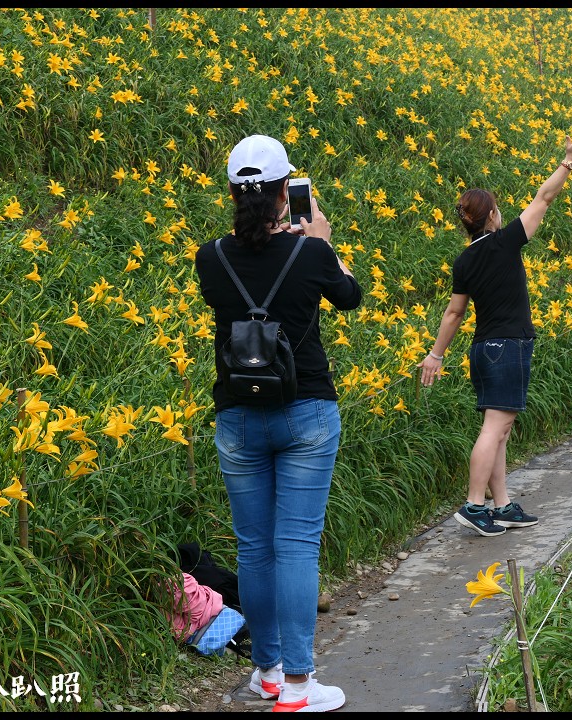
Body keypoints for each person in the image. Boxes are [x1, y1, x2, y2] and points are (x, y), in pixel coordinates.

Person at [194, 134, 362, 712]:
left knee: (254, 550)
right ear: (284, 192)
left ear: (235, 195)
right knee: (295, 547)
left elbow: (233, 290)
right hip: (306, 411)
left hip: (238, 415)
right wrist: (323, 243)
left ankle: (266, 673)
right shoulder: (310, 253)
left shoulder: (210, 257)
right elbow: (350, 296)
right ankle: (298, 687)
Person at [419, 130, 572, 537]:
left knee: (499, 428)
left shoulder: (464, 260)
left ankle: (501, 506)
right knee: (494, 429)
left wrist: (436, 354)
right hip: (507, 347)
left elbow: (454, 313)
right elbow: (544, 198)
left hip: (482, 349)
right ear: (492, 216)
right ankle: (474, 505)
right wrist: (569, 160)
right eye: (498, 209)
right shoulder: (505, 242)